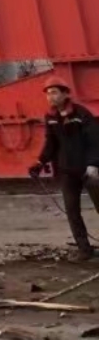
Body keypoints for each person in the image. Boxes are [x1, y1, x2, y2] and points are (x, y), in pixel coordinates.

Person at [29, 80, 99, 258]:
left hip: (89, 170)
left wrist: (93, 165)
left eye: (54, 92)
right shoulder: (51, 117)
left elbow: (94, 141)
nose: (50, 97)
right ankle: (84, 250)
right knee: (72, 212)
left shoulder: (81, 114)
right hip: (67, 172)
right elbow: (51, 144)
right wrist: (39, 163)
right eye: (47, 93)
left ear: (66, 94)